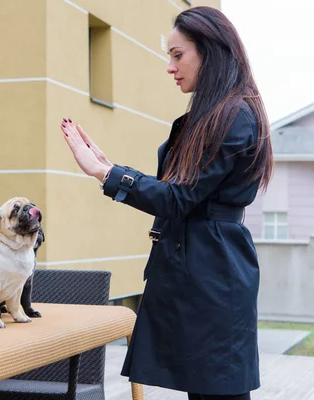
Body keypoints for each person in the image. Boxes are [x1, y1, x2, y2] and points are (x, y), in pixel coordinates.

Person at [60, 6, 273, 400]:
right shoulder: (215, 115)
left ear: (210, 51)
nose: (170, 67)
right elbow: (179, 193)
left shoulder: (233, 116)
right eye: (169, 55)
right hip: (200, 271)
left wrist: (106, 174)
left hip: (213, 276)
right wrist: (108, 168)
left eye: (178, 55)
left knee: (218, 392)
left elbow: (178, 198)